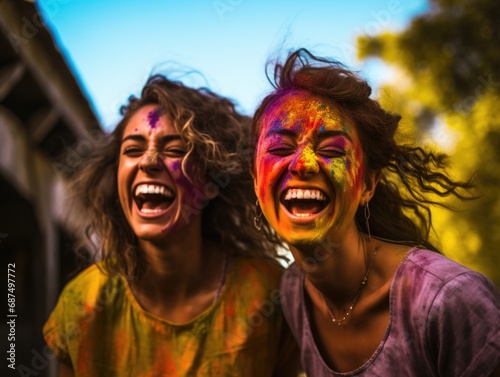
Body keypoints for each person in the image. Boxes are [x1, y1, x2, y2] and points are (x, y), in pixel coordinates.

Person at [251, 48, 500, 376]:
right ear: (256, 182)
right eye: (281, 148)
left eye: (331, 150)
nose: (304, 164)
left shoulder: (450, 299)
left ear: (368, 184)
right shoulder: (294, 294)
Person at [43, 74, 299, 376]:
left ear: (210, 182)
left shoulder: (269, 295)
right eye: (133, 149)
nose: (149, 161)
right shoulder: (83, 304)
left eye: (176, 149)